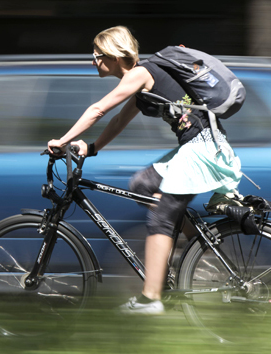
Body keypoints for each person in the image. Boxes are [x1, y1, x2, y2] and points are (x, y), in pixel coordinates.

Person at [47, 26, 242, 315]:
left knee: (160, 216)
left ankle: (150, 299)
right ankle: (196, 246)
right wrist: (93, 147)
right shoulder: (140, 83)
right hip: (195, 146)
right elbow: (116, 122)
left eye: (96, 54)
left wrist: (61, 141)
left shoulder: (141, 73)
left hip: (203, 148)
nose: (92, 61)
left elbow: (98, 110)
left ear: (113, 55)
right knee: (141, 185)